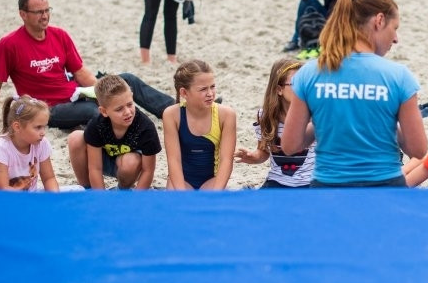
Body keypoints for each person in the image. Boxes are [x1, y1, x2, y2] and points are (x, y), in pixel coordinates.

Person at [0, 0, 174, 131]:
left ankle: (174, 110)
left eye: (47, 10)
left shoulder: (59, 35)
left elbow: (80, 72)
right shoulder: (9, 44)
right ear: (23, 14)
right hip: (48, 107)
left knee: (127, 80)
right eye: (38, 12)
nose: (45, 16)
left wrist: (101, 91)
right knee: (95, 113)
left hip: (75, 92)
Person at [281, 0, 428, 187]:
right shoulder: (398, 76)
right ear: (379, 20)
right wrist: (387, 122)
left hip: (328, 187)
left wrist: (326, 120)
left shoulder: (310, 73)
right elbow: (418, 150)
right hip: (384, 186)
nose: (396, 39)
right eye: (395, 28)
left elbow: (290, 145)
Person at [67, 74, 162, 190]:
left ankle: (122, 191)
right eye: (119, 109)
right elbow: (95, 168)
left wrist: (137, 200)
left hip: (129, 167)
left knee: (130, 162)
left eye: (130, 104)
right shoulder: (97, 124)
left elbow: (148, 170)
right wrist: (101, 199)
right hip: (103, 161)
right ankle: (87, 189)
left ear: (132, 97)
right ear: (104, 111)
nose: (127, 112)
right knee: (75, 138)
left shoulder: (145, 127)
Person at [235, 58, 316, 188]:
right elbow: (263, 152)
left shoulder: (316, 114)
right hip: (277, 181)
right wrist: (253, 157)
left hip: (310, 184)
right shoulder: (266, 116)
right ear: (279, 89)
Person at [162, 59, 237, 190]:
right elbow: (173, 160)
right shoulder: (172, 115)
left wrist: (216, 193)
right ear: (184, 93)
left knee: (210, 206)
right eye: (203, 89)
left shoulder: (225, 115)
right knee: (177, 206)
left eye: (212, 87)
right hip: (183, 179)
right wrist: (182, 194)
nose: (210, 93)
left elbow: (226, 160)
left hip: (212, 179)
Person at [0, 95, 58, 191]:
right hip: (1, 200)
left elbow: (49, 178)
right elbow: (3, 189)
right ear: (17, 127)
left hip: (29, 199)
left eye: (44, 127)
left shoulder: (41, 143)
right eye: (38, 127)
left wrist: (55, 198)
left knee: (77, 189)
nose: (43, 133)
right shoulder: (1, 147)